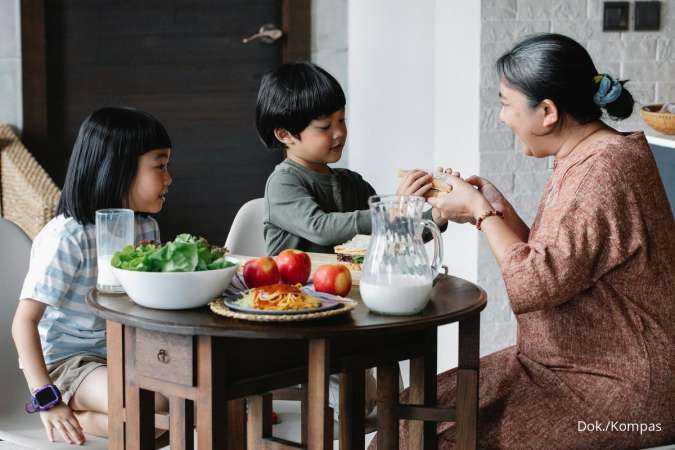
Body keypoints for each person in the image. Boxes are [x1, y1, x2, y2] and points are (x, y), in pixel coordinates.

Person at [374, 33, 675, 449]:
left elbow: (534, 284)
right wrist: (499, 211)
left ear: (547, 111)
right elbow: (564, 265)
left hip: (617, 389)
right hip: (569, 366)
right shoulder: (587, 155)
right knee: (412, 410)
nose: (501, 117)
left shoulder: (602, 171)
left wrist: (480, 213)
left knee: (440, 434)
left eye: (505, 103)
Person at [12, 107, 173, 445]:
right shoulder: (67, 237)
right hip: (70, 362)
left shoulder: (146, 226)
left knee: (166, 411)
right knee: (153, 413)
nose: (169, 177)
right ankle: (69, 413)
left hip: (123, 353)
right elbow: (23, 322)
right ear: (120, 169)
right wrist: (48, 399)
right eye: (160, 166)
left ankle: (92, 419)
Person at [256, 61, 442, 256]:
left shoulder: (353, 183)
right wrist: (393, 210)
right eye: (325, 127)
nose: (339, 132)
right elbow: (321, 228)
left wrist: (437, 216)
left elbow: (392, 235)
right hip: (294, 286)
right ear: (285, 134)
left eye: (342, 120)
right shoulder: (283, 183)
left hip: (351, 286)